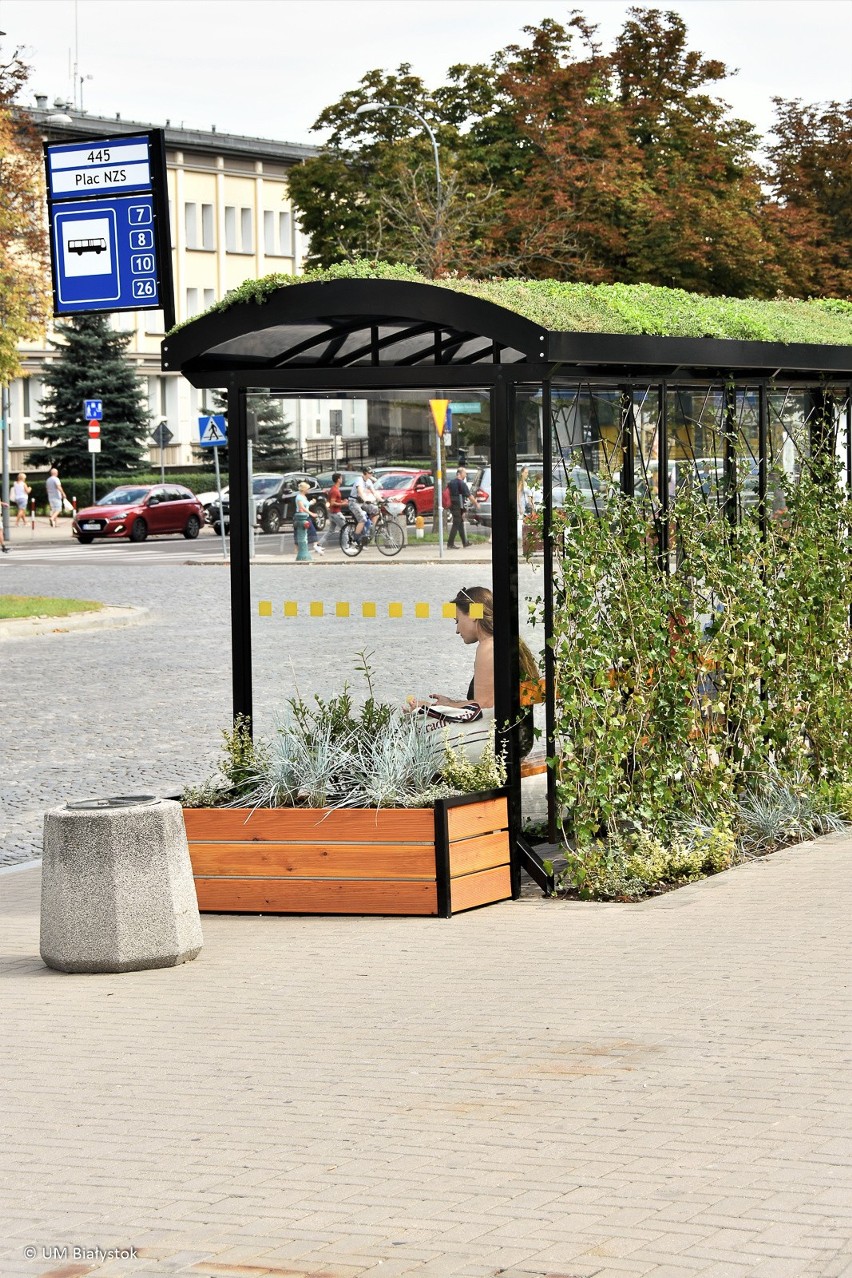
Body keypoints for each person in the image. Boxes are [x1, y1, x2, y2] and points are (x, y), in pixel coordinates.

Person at [446, 466, 478, 549]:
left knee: (460, 522)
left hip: (452, 505)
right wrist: (476, 504)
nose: (466, 475)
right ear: (459, 474)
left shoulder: (451, 482)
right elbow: (469, 495)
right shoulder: (461, 483)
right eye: (464, 473)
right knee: (456, 523)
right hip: (458, 505)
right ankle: (450, 544)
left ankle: (465, 542)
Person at [317, 472, 347, 550]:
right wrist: (343, 504)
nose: (342, 479)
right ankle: (346, 547)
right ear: (338, 479)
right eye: (341, 478)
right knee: (345, 528)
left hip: (332, 513)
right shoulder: (334, 490)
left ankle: (319, 544)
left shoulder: (334, 489)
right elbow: (332, 503)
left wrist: (342, 501)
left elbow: (333, 501)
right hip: (336, 513)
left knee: (331, 530)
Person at [293, 481, 324, 557]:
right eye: (307, 489)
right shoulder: (299, 497)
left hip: (306, 516)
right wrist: (312, 514)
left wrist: (311, 502)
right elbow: (302, 508)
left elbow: (306, 505)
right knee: (299, 534)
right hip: (300, 518)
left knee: (311, 531)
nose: (308, 490)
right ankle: (298, 550)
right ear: (303, 489)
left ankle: (315, 546)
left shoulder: (304, 497)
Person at [349, 466, 379, 542]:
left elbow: (374, 492)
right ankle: (355, 540)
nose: (371, 474)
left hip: (361, 502)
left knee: (376, 510)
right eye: (370, 473)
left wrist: (382, 500)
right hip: (354, 502)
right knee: (362, 519)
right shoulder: (359, 480)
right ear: (365, 473)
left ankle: (370, 531)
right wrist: (366, 499)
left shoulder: (368, 481)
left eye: (372, 473)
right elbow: (360, 492)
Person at [517, 466, 536, 541]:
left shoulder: (525, 482)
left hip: (525, 504)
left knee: (525, 519)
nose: (527, 474)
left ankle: (524, 536)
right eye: (525, 472)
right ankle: (520, 537)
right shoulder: (521, 482)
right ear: (522, 473)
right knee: (520, 519)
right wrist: (520, 506)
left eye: (527, 472)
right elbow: (518, 494)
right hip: (521, 504)